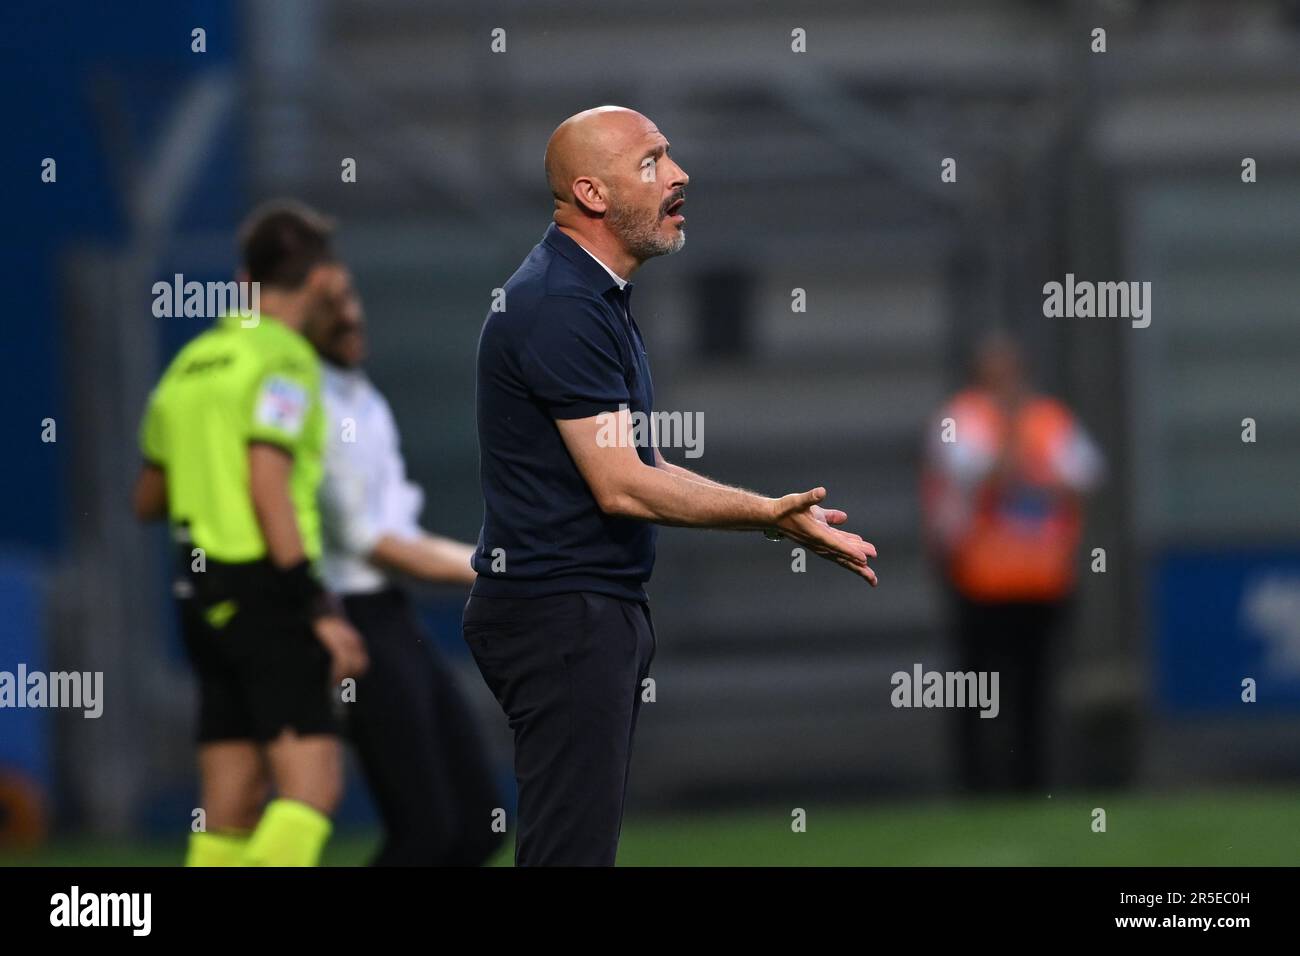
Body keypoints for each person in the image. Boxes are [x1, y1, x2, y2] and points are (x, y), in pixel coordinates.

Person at [464, 105, 878, 866]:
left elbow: (638, 466)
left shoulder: (590, 295)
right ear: (591, 194)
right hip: (560, 614)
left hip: (578, 611)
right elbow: (622, 487)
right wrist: (765, 515)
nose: (679, 174)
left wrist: (772, 519)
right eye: (651, 161)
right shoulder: (560, 304)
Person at [132, 200, 368, 866]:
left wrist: (207, 471)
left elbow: (146, 497)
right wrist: (318, 609)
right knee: (312, 788)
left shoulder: (190, 365)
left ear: (244, 279)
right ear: (321, 279)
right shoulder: (285, 360)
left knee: (230, 801)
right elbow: (269, 483)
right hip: (264, 588)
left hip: (198, 593)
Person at [310, 284, 505, 866]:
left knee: (477, 825)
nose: (351, 315)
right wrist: (494, 572)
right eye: (332, 308)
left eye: (351, 301)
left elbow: (399, 531)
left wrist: (495, 567)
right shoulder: (305, 406)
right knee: (424, 832)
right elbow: (373, 542)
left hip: (390, 614)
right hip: (346, 618)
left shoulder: (362, 398)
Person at [921, 332, 1104, 794]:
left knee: (1034, 690)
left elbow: (1084, 475)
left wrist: (1030, 467)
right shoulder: (960, 417)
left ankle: (1030, 785)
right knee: (976, 688)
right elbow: (980, 473)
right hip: (979, 580)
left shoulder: (1050, 418)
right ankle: (975, 786)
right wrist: (1016, 444)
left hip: (1041, 581)